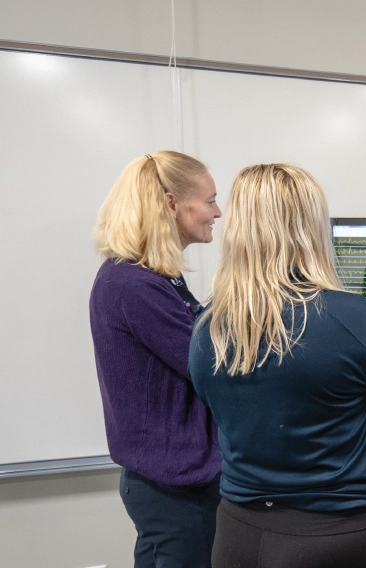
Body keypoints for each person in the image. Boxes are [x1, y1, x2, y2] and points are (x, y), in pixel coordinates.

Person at [190, 164, 366, 568]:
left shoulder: (206, 327)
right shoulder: (353, 318)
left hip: (237, 536)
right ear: (310, 227)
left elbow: (231, 406)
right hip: (341, 537)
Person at [89, 150, 224, 567]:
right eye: (210, 200)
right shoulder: (134, 284)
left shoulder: (157, 277)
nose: (217, 212)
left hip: (169, 480)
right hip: (177, 487)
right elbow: (207, 365)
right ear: (171, 204)